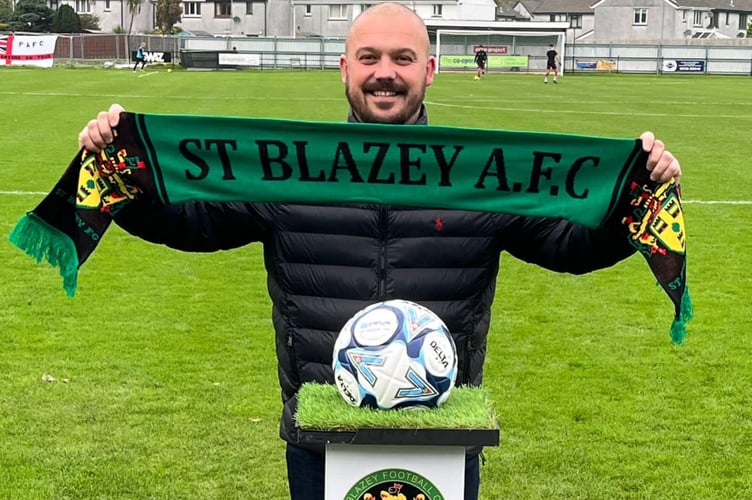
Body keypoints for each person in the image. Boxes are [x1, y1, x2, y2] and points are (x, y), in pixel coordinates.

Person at [78, 3, 681, 499]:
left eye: (402, 58)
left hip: (444, 435)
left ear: (430, 69)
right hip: (322, 434)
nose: (384, 72)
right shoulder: (286, 170)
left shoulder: (483, 176)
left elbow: (568, 247)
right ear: (344, 68)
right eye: (369, 58)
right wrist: (120, 172)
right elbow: (193, 225)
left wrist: (636, 196)